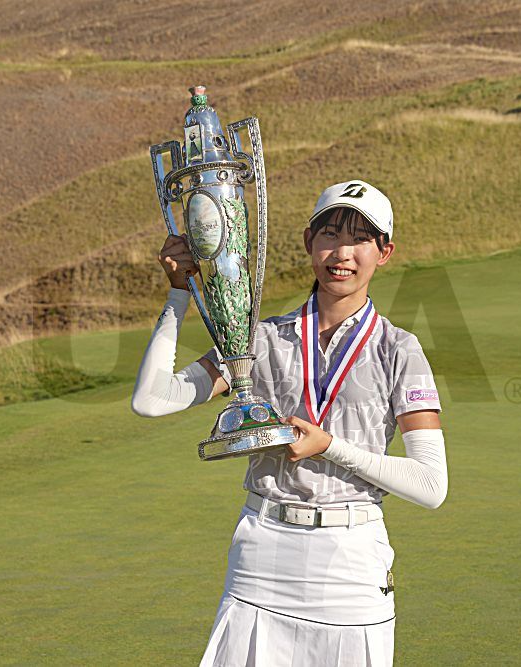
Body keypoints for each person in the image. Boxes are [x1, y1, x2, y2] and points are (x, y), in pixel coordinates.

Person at [132, 180, 448, 666]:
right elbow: (153, 400)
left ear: (384, 252)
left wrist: (330, 447)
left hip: (351, 570)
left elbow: (430, 484)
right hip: (262, 557)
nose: (341, 253)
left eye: (360, 239)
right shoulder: (259, 340)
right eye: (329, 236)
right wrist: (179, 295)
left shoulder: (399, 350)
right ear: (308, 242)